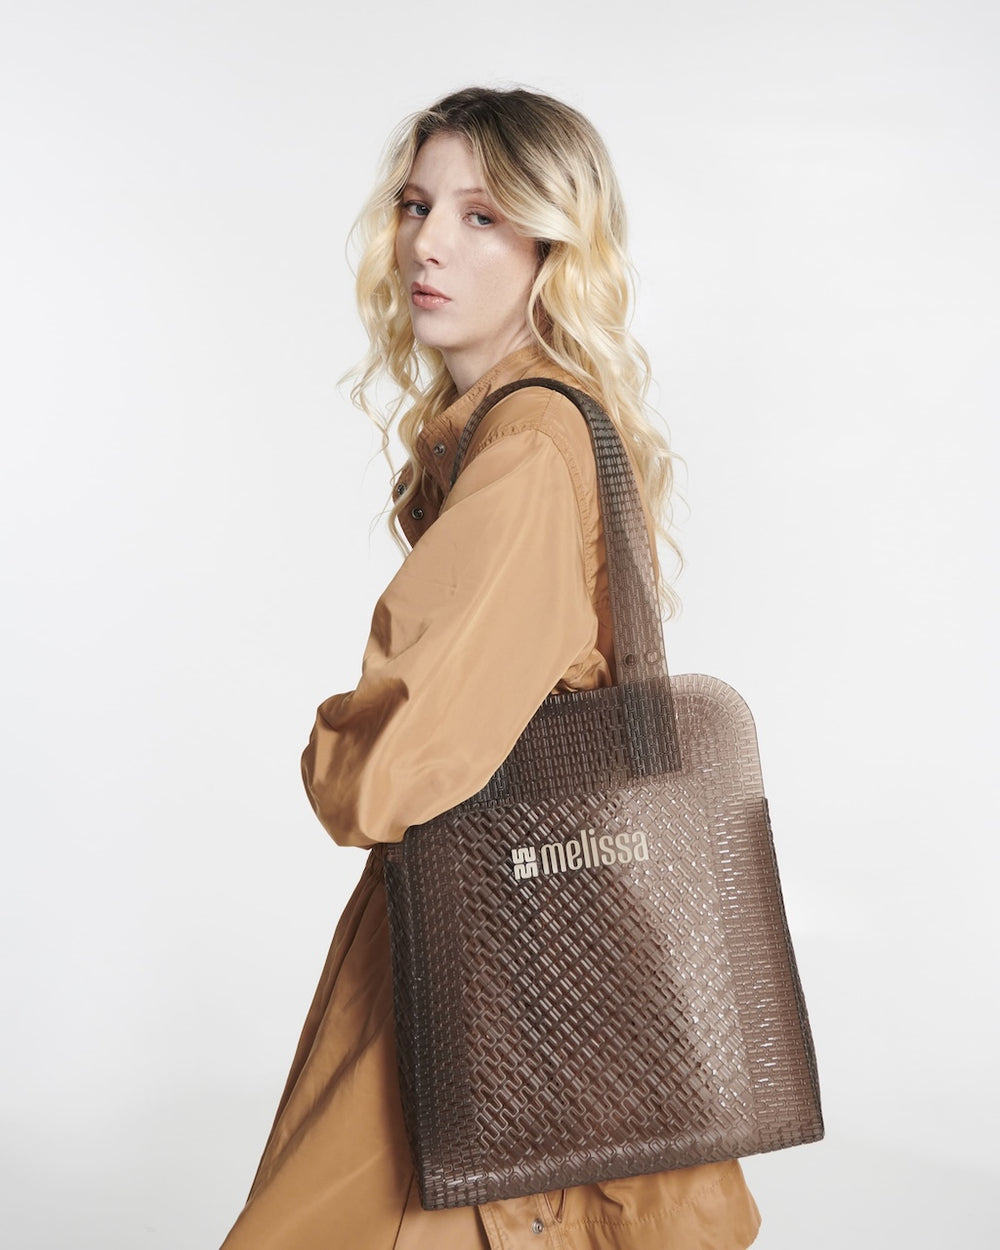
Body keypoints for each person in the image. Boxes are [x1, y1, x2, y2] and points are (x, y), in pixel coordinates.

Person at [220, 87, 763, 1250]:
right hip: (537, 946)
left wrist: (333, 750)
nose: (427, 243)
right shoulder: (536, 425)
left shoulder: (525, 445)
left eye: (481, 216)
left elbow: (390, 770)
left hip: (484, 962)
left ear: (552, 247)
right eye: (416, 205)